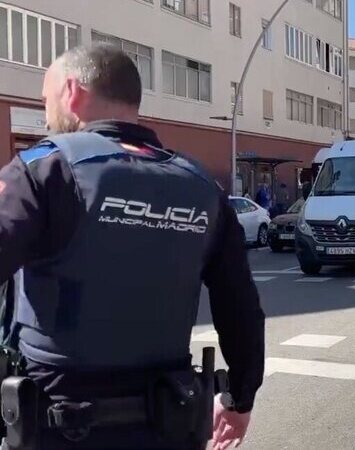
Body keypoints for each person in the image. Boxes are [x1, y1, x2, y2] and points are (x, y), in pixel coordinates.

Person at [0, 44, 264, 449]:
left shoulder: (42, 170)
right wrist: (238, 399)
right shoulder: (200, 186)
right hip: (169, 423)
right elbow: (240, 304)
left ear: (71, 91)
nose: (47, 113)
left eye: (46, 99)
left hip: (60, 428)